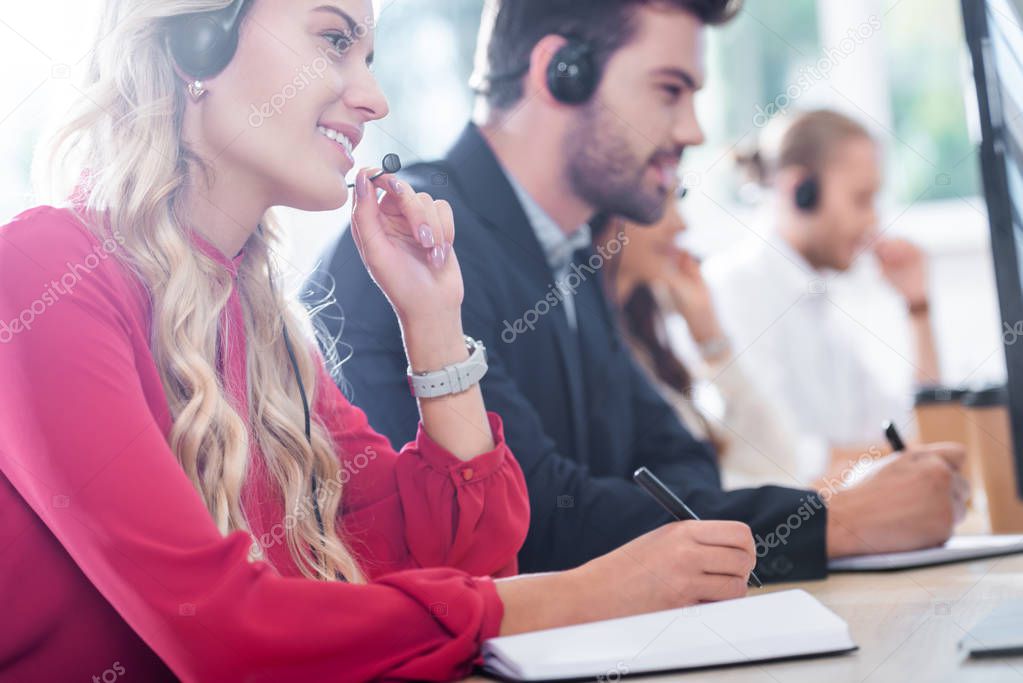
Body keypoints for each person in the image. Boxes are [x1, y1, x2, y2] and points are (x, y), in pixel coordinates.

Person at [0, 2, 760, 681]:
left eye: (368, 56)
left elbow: (460, 559)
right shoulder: (42, 273)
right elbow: (222, 637)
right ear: (197, 43)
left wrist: (433, 322)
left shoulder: (260, 322)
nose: (373, 98)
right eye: (333, 40)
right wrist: (582, 595)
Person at [314, 0, 968, 583]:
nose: (691, 130)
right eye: (669, 90)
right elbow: (536, 525)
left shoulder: (567, 252)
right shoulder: (414, 244)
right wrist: (835, 522)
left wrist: (653, 521)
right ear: (560, 72)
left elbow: (678, 459)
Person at [704, 109, 943, 478]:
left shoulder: (821, 299)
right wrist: (915, 457)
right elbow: (788, 459)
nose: (872, 221)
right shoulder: (734, 290)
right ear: (800, 190)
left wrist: (917, 307)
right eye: (861, 199)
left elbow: (911, 430)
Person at [594, 196, 811, 488]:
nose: (680, 224)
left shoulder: (646, 344)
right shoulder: (594, 354)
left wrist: (712, 340)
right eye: (660, 202)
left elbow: (777, 460)